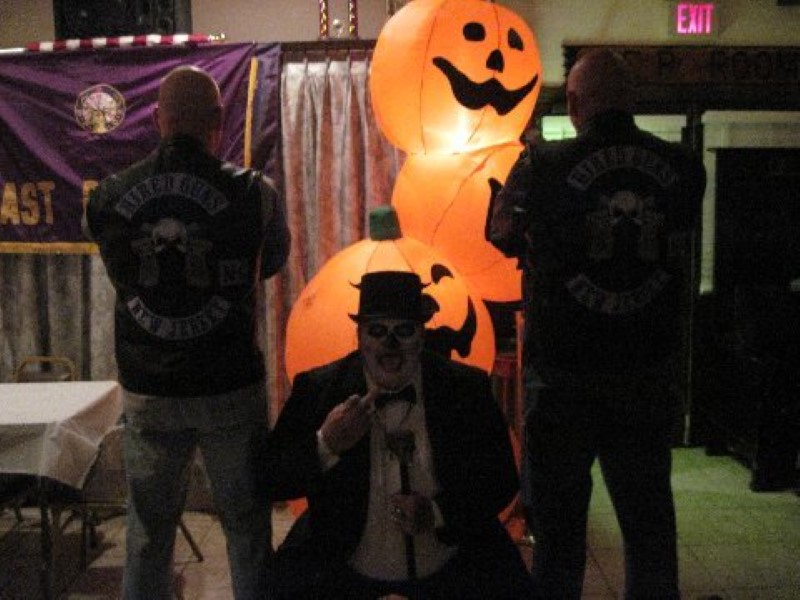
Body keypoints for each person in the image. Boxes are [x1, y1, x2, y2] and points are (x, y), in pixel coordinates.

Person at [488, 48, 706, 599]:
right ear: (632, 100)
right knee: (649, 529)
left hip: (564, 378)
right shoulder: (683, 165)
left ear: (575, 102)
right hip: (645, 374)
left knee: (559, 540)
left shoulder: (540, 164)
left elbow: (500, 232)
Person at [83, 65, 290, 599]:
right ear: (218, 120)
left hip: (150, 390)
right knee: (246, 529)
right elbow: (269, 264)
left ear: (157, 118)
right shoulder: (256, 193)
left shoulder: (108, 196)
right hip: (229, 387)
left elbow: (121, 269)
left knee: (147, 535)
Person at [265, 270, 532, 599]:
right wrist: (325, 444)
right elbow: (271, 479)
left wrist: (437, 513)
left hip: (449, 562)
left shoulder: (464, 388)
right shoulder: (320, 389)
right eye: (377, 331)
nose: (389, 346)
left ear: (421, 335)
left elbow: (502, 478)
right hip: (346, 564)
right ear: (359, 336)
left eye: (403, 331)